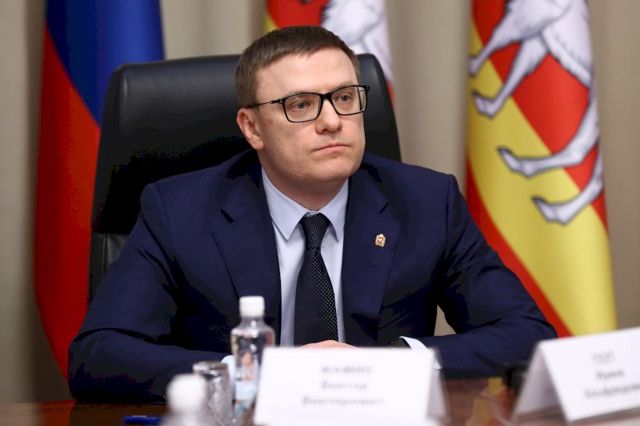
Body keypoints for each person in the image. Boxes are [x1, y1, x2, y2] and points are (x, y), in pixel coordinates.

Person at [68, 26, 556, 402]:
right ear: (252, 128)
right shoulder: (180, 210)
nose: (331, 121)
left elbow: (527, 335)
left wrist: (392, 363)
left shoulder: (427, 201)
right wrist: (257, 372)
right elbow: (98, 356)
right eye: (301, 105)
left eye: (344, 98)